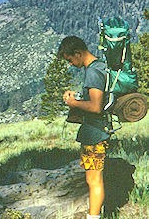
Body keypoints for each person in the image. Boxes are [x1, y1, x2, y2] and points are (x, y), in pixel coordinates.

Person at [57, 36, 111, 219]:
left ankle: (93, 217)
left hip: (95, 134)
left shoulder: (93, 72)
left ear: (78, 53)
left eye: (70, 59)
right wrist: (78, 97)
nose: (71, 64)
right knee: (92, 178)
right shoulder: (98, 67)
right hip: (95, 132)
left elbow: (95, 106)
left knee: (94, 180)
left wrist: (73, 103)